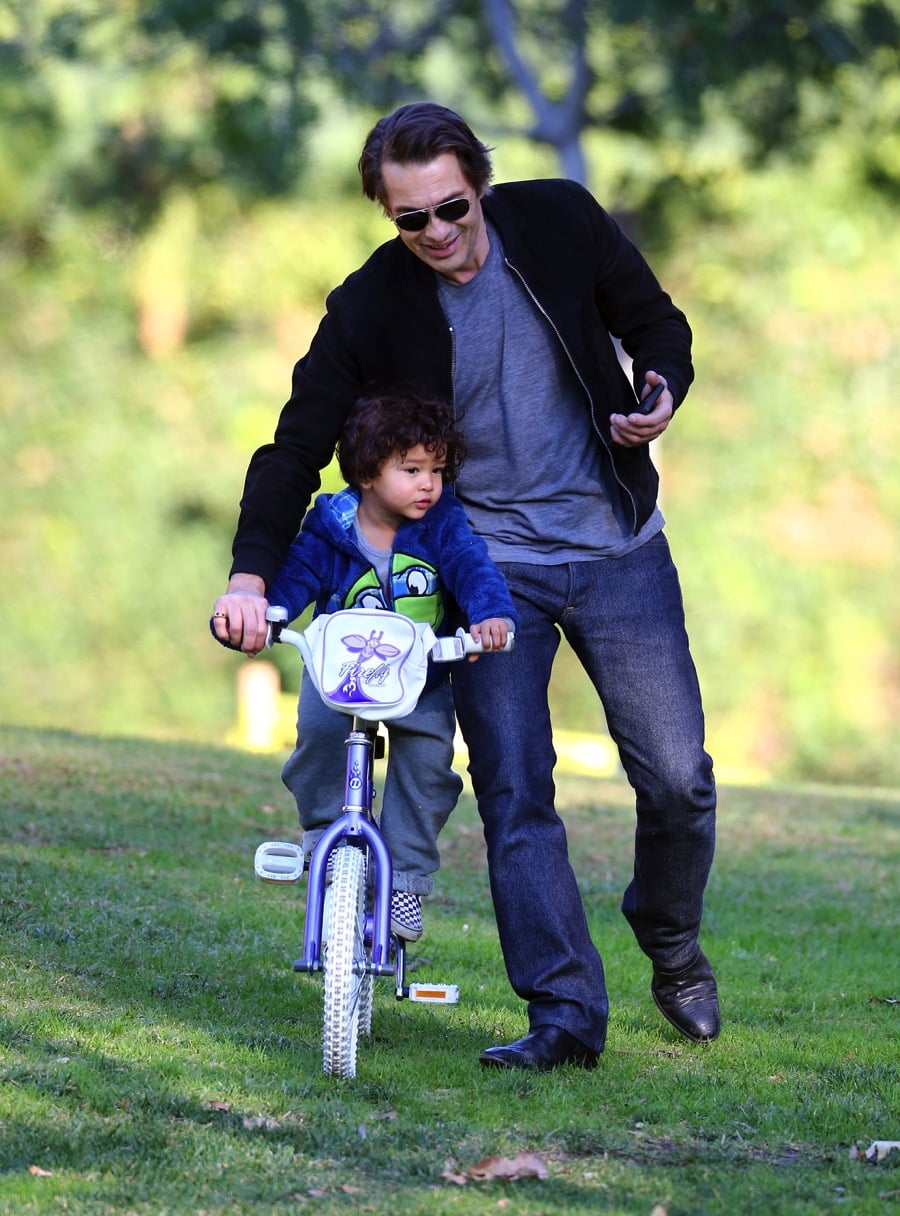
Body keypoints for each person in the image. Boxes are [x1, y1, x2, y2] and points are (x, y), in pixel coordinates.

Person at [212, 101, 718, 1070]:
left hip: (617, 543)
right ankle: (564, 1017)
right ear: (388, 217)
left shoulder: (563, 221)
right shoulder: (370, 305)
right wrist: (249, 572)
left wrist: (659, 386)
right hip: (490, 568)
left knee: (680, 777)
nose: (438, 233)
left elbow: (657, 323)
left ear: (478, 183)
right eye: (411, 220)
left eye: (452, 207)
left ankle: (670, 937)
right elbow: (293, 448)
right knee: (514, 786)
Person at [247, 390, 515, 942]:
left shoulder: (441, 523)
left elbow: (472, 567)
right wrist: (270, 614)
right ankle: (325, 841)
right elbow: (297, 575)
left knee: (427, 763)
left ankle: (406, 880)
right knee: (318, 734)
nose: (428, 484)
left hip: (419, 678)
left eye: (437, 470)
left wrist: (491, 615)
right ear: (367, 472)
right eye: (412, 469)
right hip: (340, 675)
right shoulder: (331, 526)